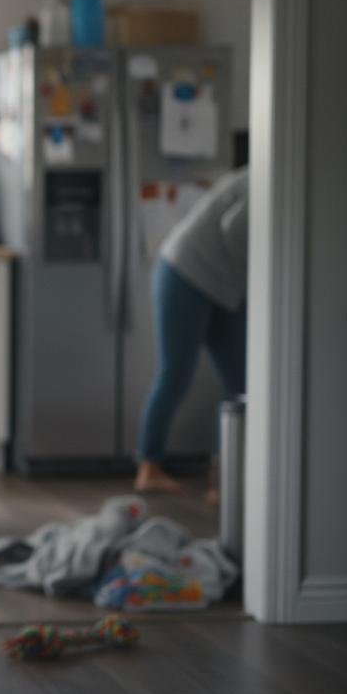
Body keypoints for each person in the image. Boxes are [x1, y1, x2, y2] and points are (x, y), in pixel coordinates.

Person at [135, 167, 249, 495]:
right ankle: (149, 467)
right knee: (175, 374)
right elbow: (235, 229)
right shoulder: (269, 177)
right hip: (186, 274)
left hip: (224, 287)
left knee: (239, 385)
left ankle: (225, 478)